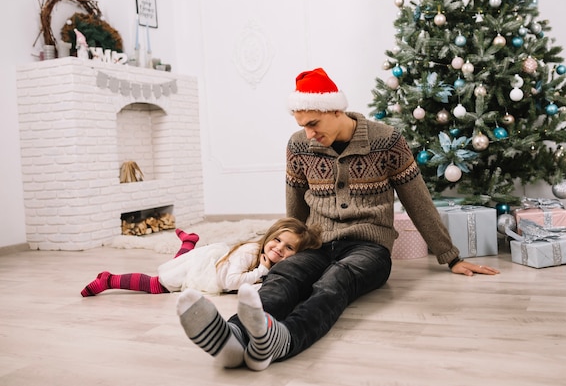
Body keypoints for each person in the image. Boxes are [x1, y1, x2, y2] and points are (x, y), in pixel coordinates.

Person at [176, 67, 500, 371]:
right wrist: (287, 249)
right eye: (302, 124)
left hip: (369, 246)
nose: (308, 132)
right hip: (317, 240)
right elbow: (296, 209)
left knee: (333, 282)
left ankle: (284, 340)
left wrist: (450, 256)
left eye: (314, 123)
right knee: (286, 277)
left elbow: (418, 200)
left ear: (336, 111)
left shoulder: (386, 140)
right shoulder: (299, 145)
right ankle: (232, 339)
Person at [80, 217, 322, 297]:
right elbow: (229, 282)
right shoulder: (251, 253)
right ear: (268, 237)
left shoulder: (272, 261)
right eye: (277, 240)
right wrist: (261, 271)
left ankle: (188, 242)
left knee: (176, 266)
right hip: (209, 273)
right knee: (158, 283)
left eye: (289, 248)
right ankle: (110, 279)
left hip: (207, 266)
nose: (279, 248)